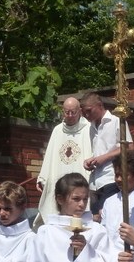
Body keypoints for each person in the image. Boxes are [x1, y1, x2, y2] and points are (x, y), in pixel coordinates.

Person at [35, 97, 92, 226]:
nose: (70, 115)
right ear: (63, 112)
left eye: (73, 112)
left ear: (80, 111)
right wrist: (42, 177)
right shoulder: (57, 130)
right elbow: (50, 156)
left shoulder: (88, 129)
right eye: (67, 112)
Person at [81, 92, 134, 218]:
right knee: (95, 218)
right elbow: (100, 151)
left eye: (89, 111)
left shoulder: (116, 121)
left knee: (106, 216)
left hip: (111, 177)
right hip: (95, 181)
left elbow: (130, 147)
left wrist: (104, 158)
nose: (87, 115)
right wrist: (91, 160)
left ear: (99, 105)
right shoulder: (91, 127)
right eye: (84, 112)